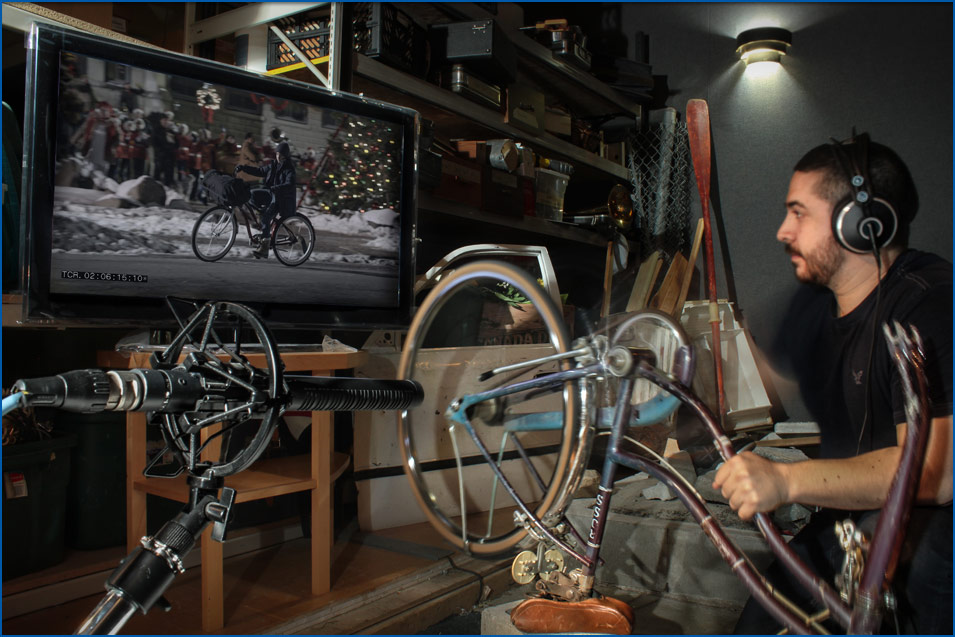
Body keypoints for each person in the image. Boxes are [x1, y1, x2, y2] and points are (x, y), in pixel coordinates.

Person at [713, 133, 952, 634]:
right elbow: (766, 380)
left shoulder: (931, 305)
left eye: (799, 213)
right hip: (849, 516)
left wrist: (785, 481)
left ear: (861, 223)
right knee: (761, 622)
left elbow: (936, 474)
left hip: (932, 530)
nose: (782, 231)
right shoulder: (815, 302)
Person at [235, 141, 297, 258]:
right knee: (251, 194)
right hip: (271, 193)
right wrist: (243, 168)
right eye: (277, 154)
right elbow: (260, 171)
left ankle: (264, 248)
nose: (278, 156)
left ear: (285, 156)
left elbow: (289, 184)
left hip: (281, 198)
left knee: (266, 218)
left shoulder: (289, 169)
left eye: (281, 154)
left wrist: (276, 188)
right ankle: (262, 216)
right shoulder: (273, 165)